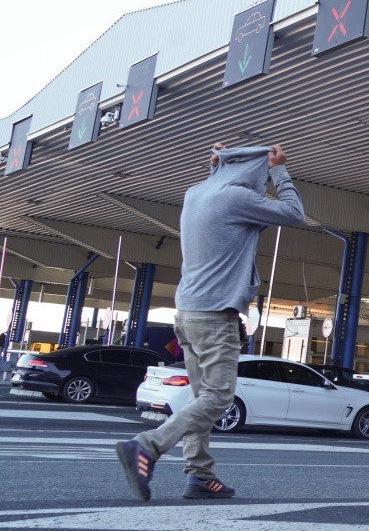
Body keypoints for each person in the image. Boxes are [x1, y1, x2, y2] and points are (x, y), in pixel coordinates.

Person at [116, 143, 305, 502]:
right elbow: (293, 213)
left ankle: (200, 476)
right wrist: (280, 170)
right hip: (215, 316)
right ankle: (146, 445)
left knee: (200, 398)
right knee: (218, 397)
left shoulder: (197, 193)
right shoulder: (236, 197)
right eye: (261, 172)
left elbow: (221, 199)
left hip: (187, 313)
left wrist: (217, 168)